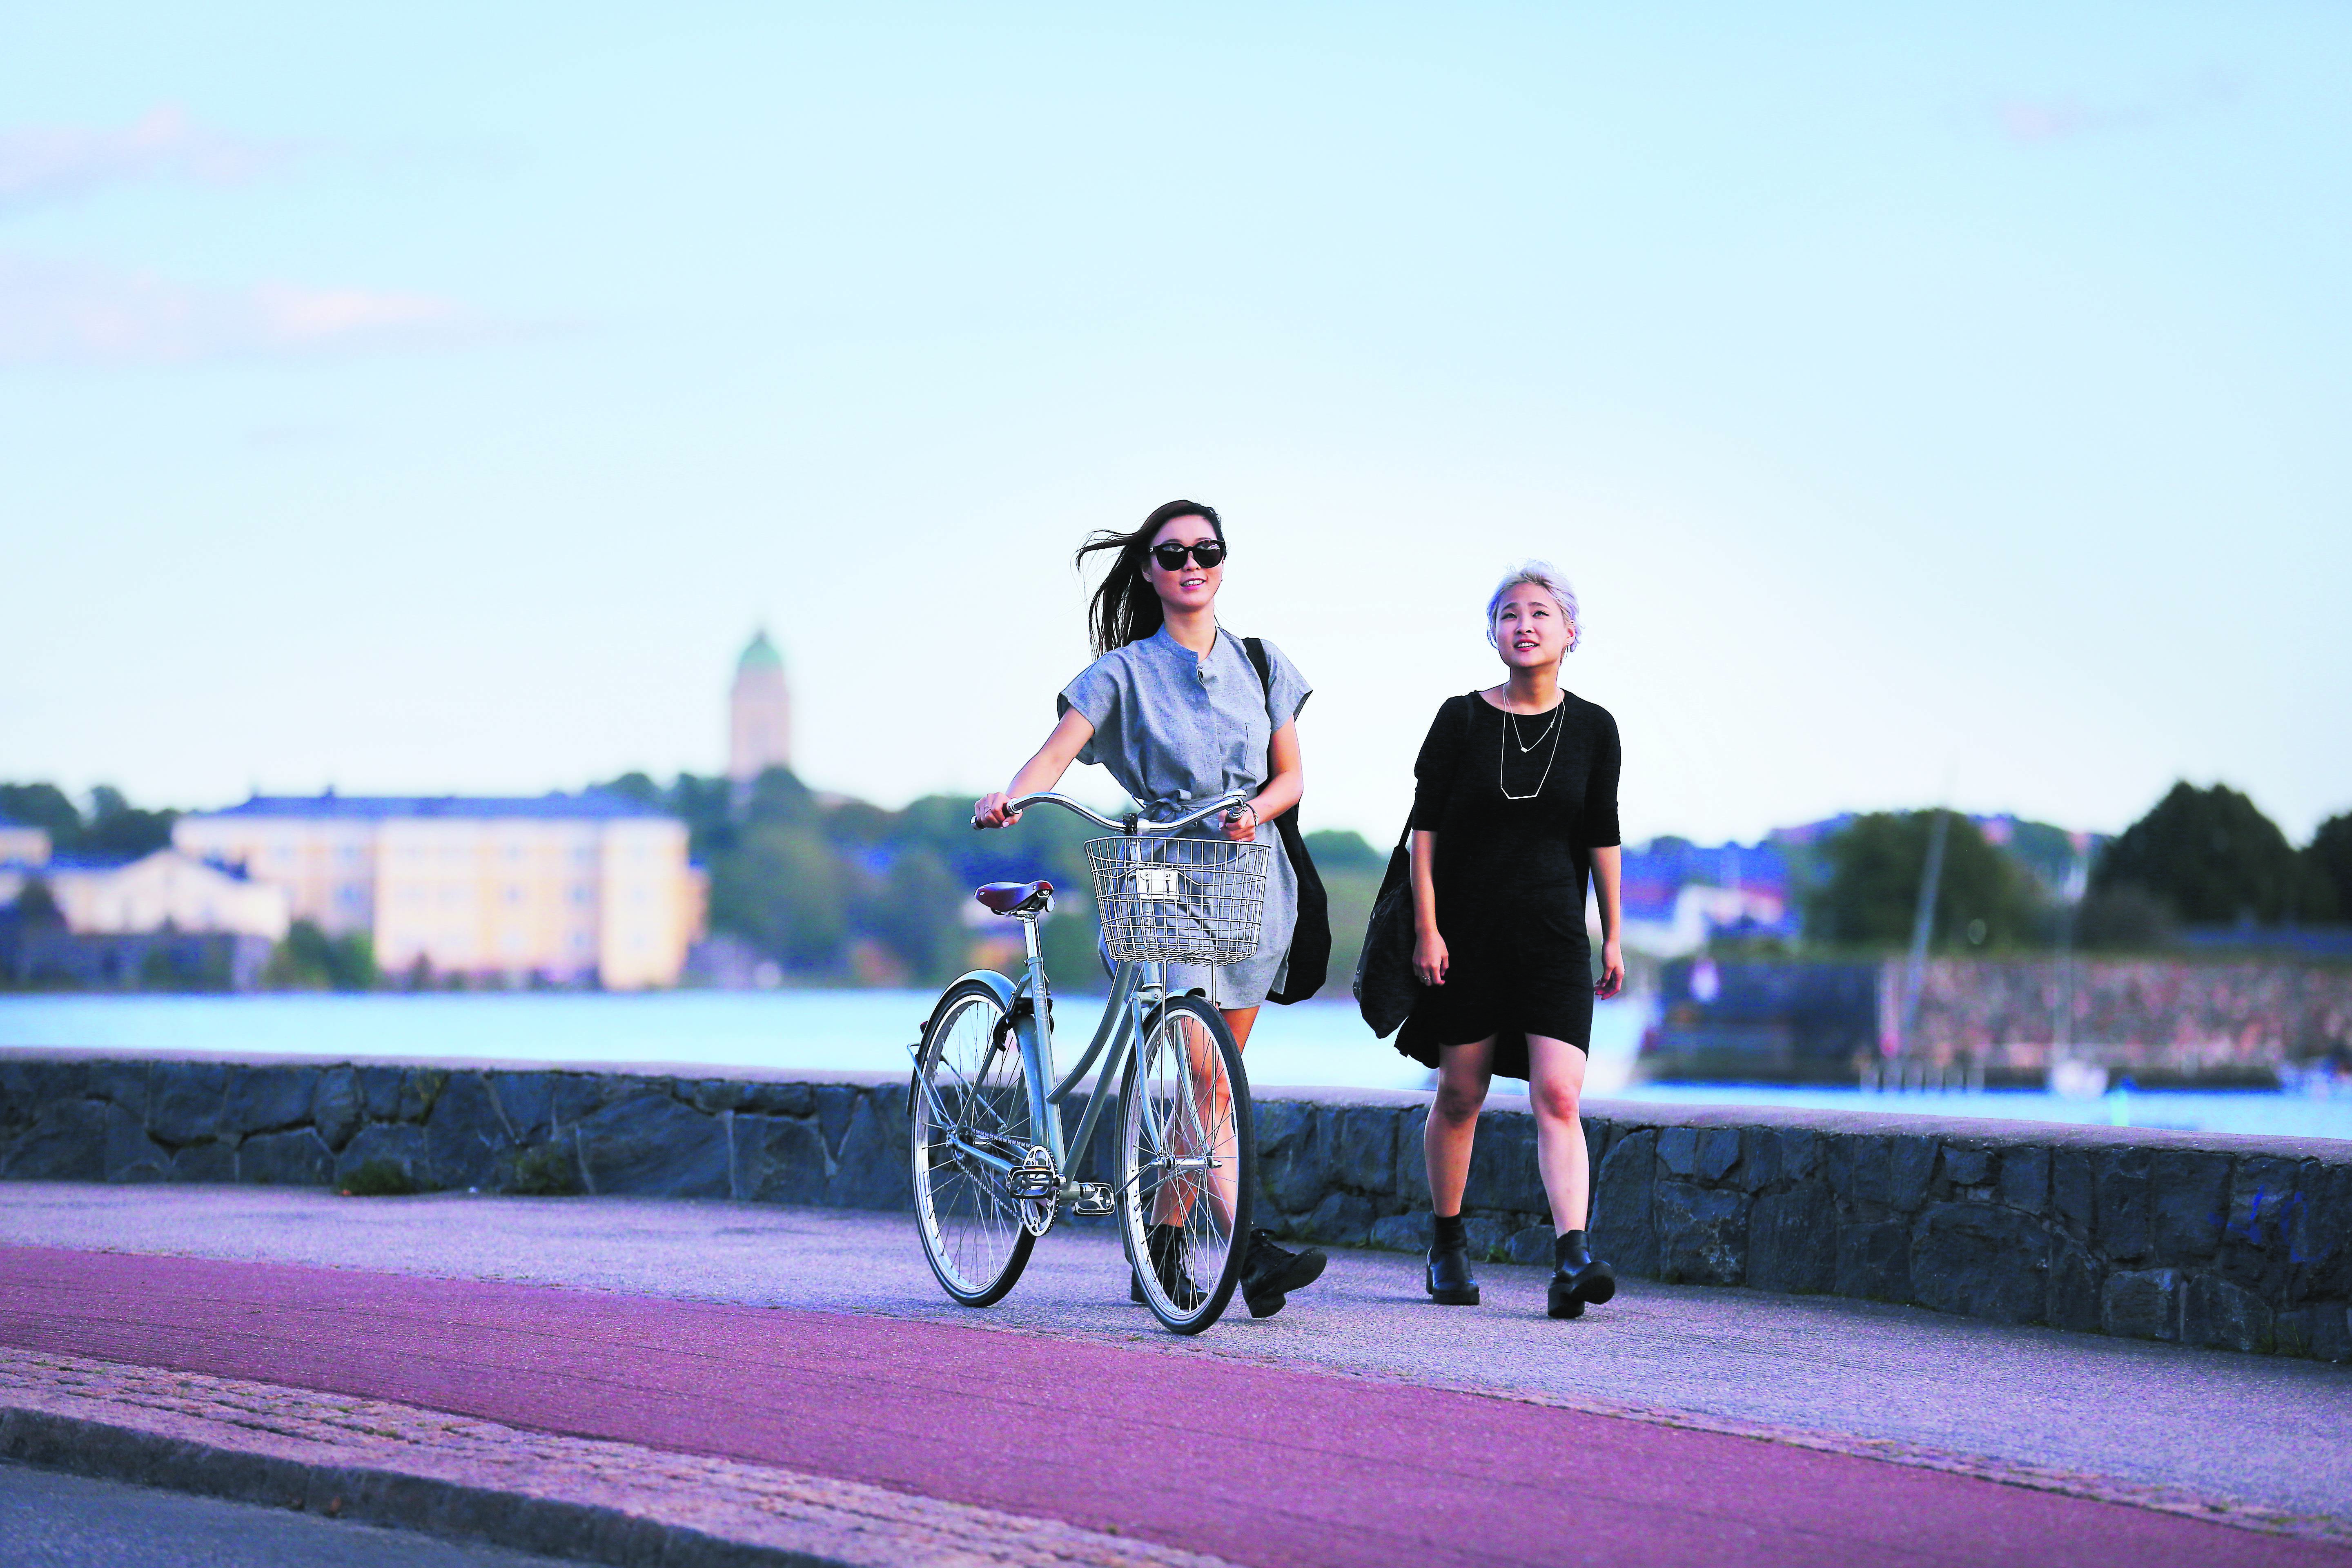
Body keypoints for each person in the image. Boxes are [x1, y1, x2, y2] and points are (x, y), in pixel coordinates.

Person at [973, 499, 1328, 1319]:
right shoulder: (1121, 673)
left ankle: (1160, 1246)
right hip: (1159, 873)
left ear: (1223, 560)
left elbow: (1292, 778)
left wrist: (1258, 812)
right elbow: (1056, 753)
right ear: (1149, 569)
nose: (1191, 564)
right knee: (1206, 1069)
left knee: (1211, 1087)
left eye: (1207, 549)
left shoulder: (1263, 664)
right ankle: (1253, 1249)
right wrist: (1012, 798)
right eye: (1173, 554)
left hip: (1246, 875)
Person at [1396, 562, 1624, 1319]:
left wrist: (1614, 935)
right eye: (1508, 615)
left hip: (1556, 937)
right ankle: (1448, 1244)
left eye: (1540, 613)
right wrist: (1428, 928)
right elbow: (1423, 835)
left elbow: (1602, 836)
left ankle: (1572, 1257)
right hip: (1467, 938)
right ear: (1493, 634)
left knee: (1560, 1093)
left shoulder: (1594, 728)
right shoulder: (1461, 719)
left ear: (1570, 634)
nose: (1524, 625)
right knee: (1461, 1093)